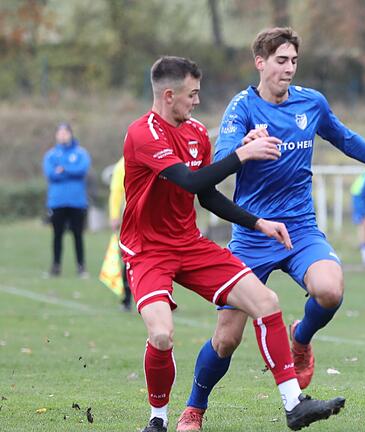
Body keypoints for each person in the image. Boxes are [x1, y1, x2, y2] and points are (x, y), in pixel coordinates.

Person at [175, 28, 365, 431]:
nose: (289, 68)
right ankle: (194, 409)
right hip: (253, 234)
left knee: (330, 290)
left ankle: (301, 337)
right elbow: (222, 157)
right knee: (227, 338)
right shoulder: (242, 107)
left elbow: (346, 139)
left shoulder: (311, 103)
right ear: (260, 62)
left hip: (299, 229)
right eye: (281, 60)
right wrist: (247, 146)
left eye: (294, 60)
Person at [122, 56, 345, 432]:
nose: (197, 100)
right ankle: (157, 421)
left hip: (189, 244)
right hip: (147, 251)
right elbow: (188, 182)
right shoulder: (143, 134)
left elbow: (206, 196)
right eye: (192, 94)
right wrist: (243, 154)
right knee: (161, 335)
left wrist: (257, 222)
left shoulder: (194, 133)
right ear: (170, 94)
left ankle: (295, 405)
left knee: (267, 302)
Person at [42, 122, 91, 278]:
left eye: (65, 132)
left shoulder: (81, 153)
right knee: (57, 235)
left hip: (77, 201)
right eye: (60, 133)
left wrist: (64, 169)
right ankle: (56, 266)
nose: (63, 135)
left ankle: (81, 267)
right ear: (56, 135)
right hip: (57, 201)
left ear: (71, 134)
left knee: (78, 235)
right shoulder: (50, 155)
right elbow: (51, 174)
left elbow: (82, 170)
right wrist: (70, 170)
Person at [107, 156, 133, 310]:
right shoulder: (122, 164)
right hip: (132, 219)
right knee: (130, 257)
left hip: (151, 218)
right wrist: (114, 215)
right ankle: (127, 298)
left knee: (131, 257)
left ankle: (127, 299)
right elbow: (117, 192)